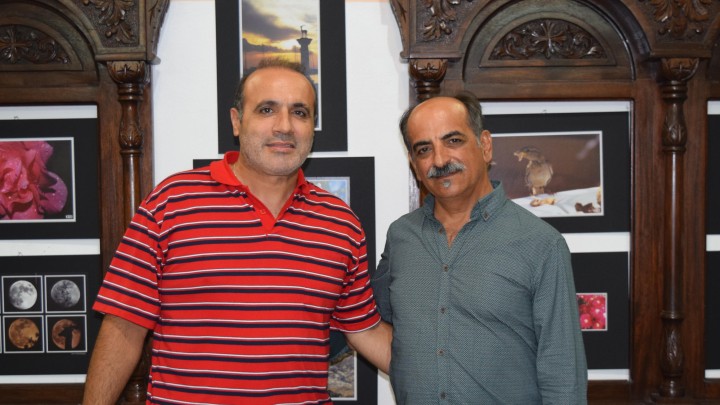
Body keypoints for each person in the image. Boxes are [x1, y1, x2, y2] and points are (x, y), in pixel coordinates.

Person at [82, 58, 391, 405]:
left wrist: (440, 375)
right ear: (236, 121)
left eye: (300, 112)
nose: (284, 126)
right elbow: (123, 326)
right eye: (267, 110)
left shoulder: (341, 223)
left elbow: (364, 329)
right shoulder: (171, 202)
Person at [371, 92, 587, 404]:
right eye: (424, 149)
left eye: (453, 141)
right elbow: (366, 319)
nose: (440, 160)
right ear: (414, 165)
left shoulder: (541, 243)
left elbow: (563, 374)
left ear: (485, 145)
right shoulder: (401, 237)